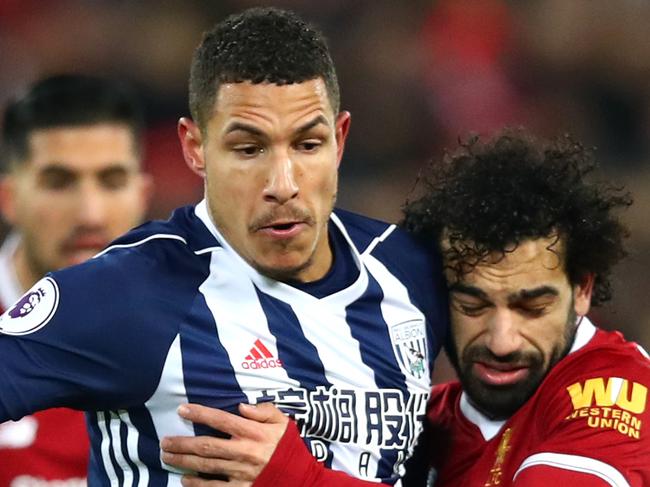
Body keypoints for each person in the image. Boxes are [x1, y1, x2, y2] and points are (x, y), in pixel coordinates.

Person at [0, 8, 449, 485]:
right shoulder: (131, 290)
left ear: (339, 140)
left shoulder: (410, 271)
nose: (283, 184)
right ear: (195, 147)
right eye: (248, 149)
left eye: (308, 144)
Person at [161, 130, 650, 487]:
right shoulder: (427, 417)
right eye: (472, 303)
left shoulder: (617, 390)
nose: (503, 340)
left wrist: (297, 478)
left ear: (582, 291)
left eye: (532, 307)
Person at [0, 74, 152, 486]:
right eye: (59, 182)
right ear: (10, 198)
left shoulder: (213, 326)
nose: (90, 214)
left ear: (142, 193)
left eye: (111, 181)